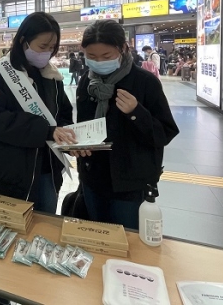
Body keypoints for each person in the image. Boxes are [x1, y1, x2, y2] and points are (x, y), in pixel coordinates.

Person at [72, 20, 179, 229]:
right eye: (91, 57)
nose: (98, 62)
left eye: (106, 56)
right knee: (95, 236)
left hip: (130, 182)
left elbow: (165, 132)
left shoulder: (144, 82)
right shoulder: (87, 82)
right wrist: (78, 144)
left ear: (122, 48)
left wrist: (136, 113)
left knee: (127, 242)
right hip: (92, 178)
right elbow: (84, 126)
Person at [0, 12, 75, 213]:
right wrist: (45, 130)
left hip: (48, 167)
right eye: (42, 46)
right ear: (23, 41)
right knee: (15, 227)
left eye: (52, 48)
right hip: (12, 171)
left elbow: (62, 111)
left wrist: (65, 134)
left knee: (45, 224)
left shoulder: (51, 76)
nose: (48, 52)